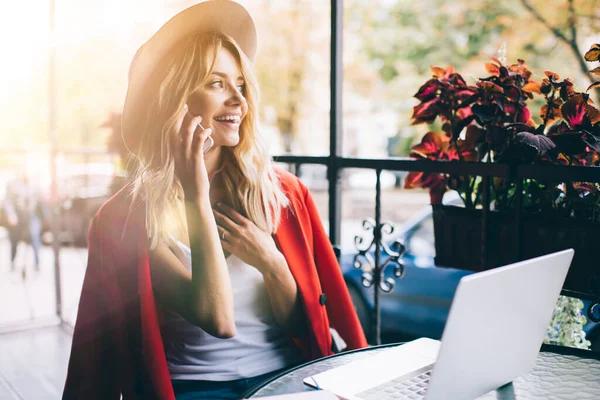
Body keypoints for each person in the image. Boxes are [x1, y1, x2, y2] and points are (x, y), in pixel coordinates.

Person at [63, 1, 367, 399]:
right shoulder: (126, 217)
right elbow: (217, 318)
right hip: (193, 388)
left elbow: (305, 324)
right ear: (175, 96)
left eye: (241, 84)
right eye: (217, 83)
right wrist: (196, 195)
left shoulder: (285, 194)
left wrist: (271, 263)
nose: (239, 101)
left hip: (287, 379)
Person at [2, 172, 46, 273]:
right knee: (14, 240)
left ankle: (36, 263)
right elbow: (7, 201)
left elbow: (40, 201)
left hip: (32, 215)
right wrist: (11, 215)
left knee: (35, 237)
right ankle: (12, 262)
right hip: (18, 215)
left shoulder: (35, 184)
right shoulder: (12, 184)